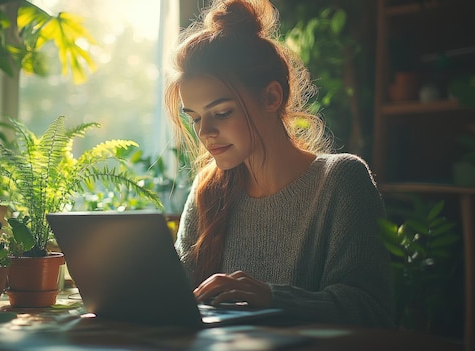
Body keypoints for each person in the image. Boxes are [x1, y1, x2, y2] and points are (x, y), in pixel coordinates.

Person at [164, 0, 394, 328]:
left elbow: (372, 311)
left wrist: (272, 297)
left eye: (222, 112)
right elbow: (173, 297)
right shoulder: (209, 189)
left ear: (272, 97)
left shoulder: (340, 180)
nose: (205, 133)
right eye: (196, 118)